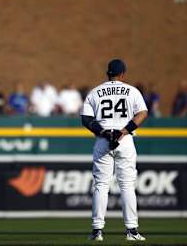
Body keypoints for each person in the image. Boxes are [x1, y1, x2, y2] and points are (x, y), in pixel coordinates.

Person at [81, 59, 147, 241]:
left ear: (107, 73)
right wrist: (124, 131)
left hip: (103, 140)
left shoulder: (95, 92)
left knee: (101, 186)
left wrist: (103, 131)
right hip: (124, 140)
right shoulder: (132, 91)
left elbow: (86, 119)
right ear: (123, 74)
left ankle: (97, 231)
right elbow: (143, 113)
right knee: (127, 186)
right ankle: (132, 231)